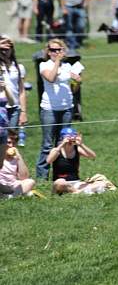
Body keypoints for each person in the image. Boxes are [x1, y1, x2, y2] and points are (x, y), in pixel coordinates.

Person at [36, 39, 84, 179]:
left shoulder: (69, 66)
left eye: (59, 50)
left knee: (63, 143)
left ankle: (60, 175)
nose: (56, 52)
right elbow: (50, 78)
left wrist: (77, 81)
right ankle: (42, 177)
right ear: (48, 51)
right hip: (49, 109)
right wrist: (57, 61)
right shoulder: (44, 65)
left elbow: (73, 89)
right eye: (52, 50)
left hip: (67, 108)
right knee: (47, 144)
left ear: (63, 51)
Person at [46, 127, 102, 194]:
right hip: (61, 182)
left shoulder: (77, 149)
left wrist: (81, 144)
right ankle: (81, 192)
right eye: (67, 137)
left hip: (75, 183)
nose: (70, 139)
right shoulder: (57, 150)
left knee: (101, 183)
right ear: (62, 138)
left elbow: (93, 156)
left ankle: (75, 192)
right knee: (60, 183)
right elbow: (48, 161)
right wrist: (62, 144)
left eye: (72, 136)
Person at [0, 36, 27, 129]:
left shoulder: (19, 67)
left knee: (11, 139)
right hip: (1, 107)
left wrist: (23, 112)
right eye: (2, 49)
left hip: (14, 108)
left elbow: (22, 91)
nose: (4, 51)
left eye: (7, 49)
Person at [0, 129, 35, 197]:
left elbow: (24, 177)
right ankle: (17, 194)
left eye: (14, 143)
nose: (11, 146)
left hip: (12, 185)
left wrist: (19, 157)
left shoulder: (15, 158)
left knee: (30, 182)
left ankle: (10, 196)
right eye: (9, 142)